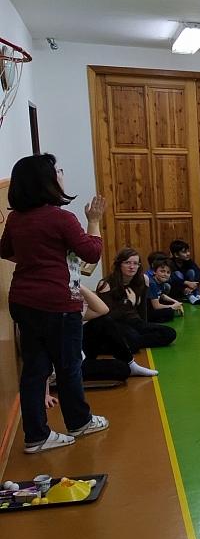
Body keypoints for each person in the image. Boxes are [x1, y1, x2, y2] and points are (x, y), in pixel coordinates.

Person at [0, 153, 109, 453]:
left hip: (23, 301)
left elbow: (4, 250)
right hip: (57, 304)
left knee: (35, 369)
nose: (61, 173)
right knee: (69, 365)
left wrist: (37, 260)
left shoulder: (16, 218)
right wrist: (94, 221)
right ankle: (79, 422)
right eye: (57, 170)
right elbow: (91, 253)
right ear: (45, 181)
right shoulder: (62, 218)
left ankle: (36, 436)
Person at [98, 248, 178, 352]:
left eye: (135, 263)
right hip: (116, 323)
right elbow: (107, 317)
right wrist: (129, 303)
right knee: (133, 340)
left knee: (170, 333)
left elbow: (142, 309)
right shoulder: (106, 284)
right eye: (127, 263)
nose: (132, 267)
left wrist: (145, 325)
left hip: (134, 321)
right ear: (119, 264)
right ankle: (126, 342)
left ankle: (128, 343)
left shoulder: (143, 280)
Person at [80, 285, 157, 382]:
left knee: (104, 322)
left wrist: (77, 284)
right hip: (68, 363)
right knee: (122, 369)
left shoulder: (66, 306)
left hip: (77, 350)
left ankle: (130, 363)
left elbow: (103, 310)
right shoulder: (106, 285)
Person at [146, 258, 184, 322]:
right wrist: (173, 307)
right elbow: (156, 306)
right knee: (169, 312)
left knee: (168, 304)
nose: (165, 274)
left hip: (153, 303)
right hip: (145, 308)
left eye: (168, 272)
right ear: (154, 271)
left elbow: (161, 295)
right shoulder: (152, 284)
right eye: (162, 271)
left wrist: (175, 302)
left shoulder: (160, 281)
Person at [169, 239, 200, 305]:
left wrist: (192, 286)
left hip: (190, 288)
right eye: (184, 252)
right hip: (178, 290)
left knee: (191, 272)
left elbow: (199, 273)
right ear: (176, 255)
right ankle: (190, 296)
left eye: (188, 251)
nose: (188, 254)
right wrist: (187, 283)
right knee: (178, 274)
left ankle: (197, 295)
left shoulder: (189, 261)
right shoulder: (170, 263)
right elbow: (172, 278)